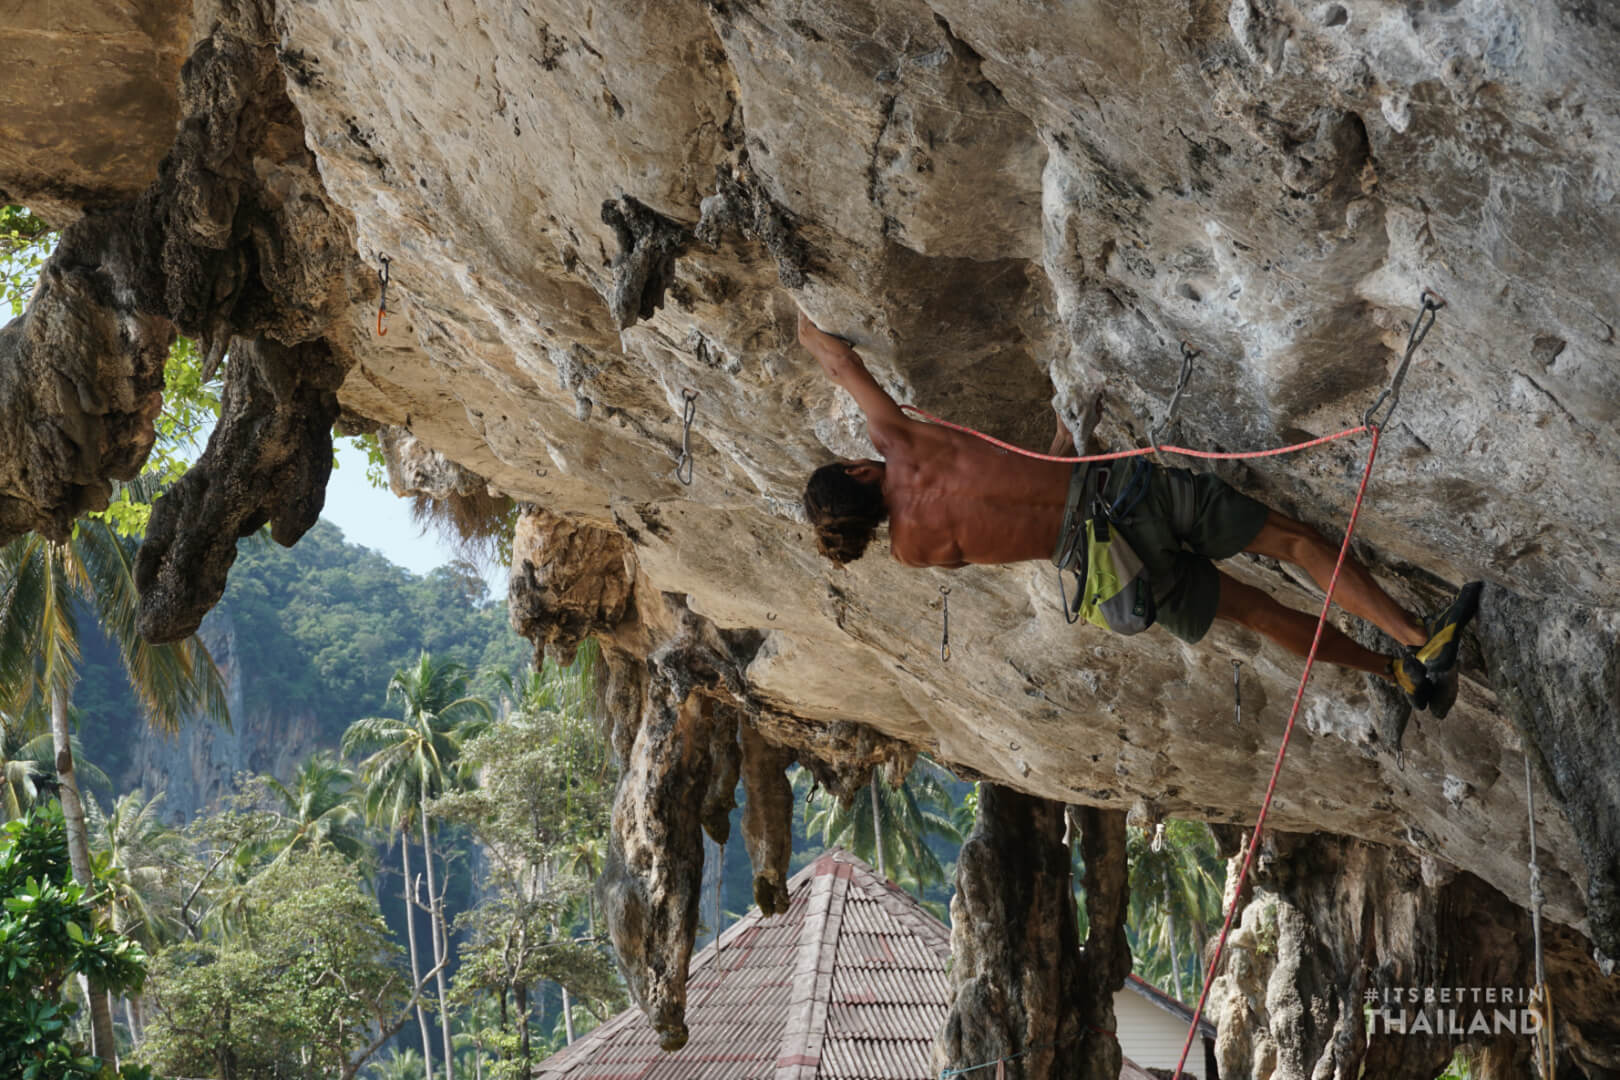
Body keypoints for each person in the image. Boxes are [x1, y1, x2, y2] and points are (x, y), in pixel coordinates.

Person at [796, 311, 1481, 717]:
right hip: (1121, 498)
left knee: (1258, 614)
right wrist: (798, 307)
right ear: (859, 470)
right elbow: (836, 363)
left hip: (1107, 570)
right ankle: (1415, 637)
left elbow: (1012, 516)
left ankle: (1394, 674)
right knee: (1291, 541)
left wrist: (1064, 443)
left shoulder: (913, 550)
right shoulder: (899, 445)